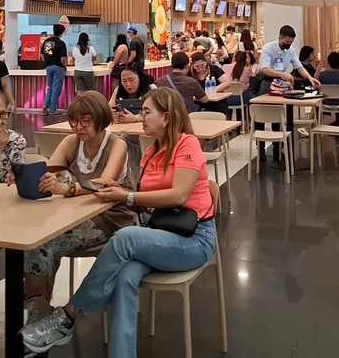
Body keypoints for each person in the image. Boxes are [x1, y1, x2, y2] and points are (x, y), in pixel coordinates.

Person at [21, 88, 216, 358]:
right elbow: (142, 202)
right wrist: (120, 194)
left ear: (167, 117)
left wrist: (126, 196)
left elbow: (179, 195)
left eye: (146, 112)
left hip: (193, 238)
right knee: (124, 277)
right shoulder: (151, 152)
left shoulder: (188, 144)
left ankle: (68, 314)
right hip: (158, 233)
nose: (140, 117)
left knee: (125, 237)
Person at [23, 91, 136, 323]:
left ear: (101, 119)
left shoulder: (117, 145)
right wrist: (30, 176)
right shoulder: (71, 142)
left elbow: (104, 183)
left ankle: (39, 317)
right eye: (74, 121)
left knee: (46, 244)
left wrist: (67, 188)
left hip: (110, 216)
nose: (78, 127)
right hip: (75, 213)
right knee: (35, 240)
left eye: (85, 121)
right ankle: (38, 308)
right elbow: (50, 171)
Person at [0, 89, 26, 334]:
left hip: (8, 214)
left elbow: (18, 183)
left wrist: (16, 176)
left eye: (3, 114)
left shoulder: (16, 141)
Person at [257, 25, 320, 163]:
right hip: (266, 82)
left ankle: (277, 148)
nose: (288, 44)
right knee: (261, 115)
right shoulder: (268, 48)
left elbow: (299, 67)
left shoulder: (291, 51)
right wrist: (283, 74)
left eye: (291, 42)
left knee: (277, 115)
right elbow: (265, 69)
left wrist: (310, 78)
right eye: (286, 42)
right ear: (280, 38)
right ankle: (260, 149)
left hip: (279, 83)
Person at [109, 64, 156, 173]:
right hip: (127, 137)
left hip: (149, 136)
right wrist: (113, 114)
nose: (128, 84)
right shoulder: (118, 90)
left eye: (131, 80)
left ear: (139, 77)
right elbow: (108, 109)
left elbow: (157, 113)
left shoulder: (151, 89)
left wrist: (135, 118)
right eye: (124, 81)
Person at [41, 24, 68, 115]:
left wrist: (46, 61)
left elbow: (42, 54)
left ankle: (46, 105)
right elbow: (63, 59)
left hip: (48, 67)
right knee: (56, 88)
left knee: (50, 87)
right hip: (58, 67)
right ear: (61, 33)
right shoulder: (61, 43)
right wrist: (65, 66)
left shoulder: (47, 42)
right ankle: (52, 109)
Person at [223, 51, 257, 120]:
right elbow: (253, 79)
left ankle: (228, 120)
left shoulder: (224, 67)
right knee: (250, 95)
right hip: (240, 98)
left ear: (234, 58)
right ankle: (246, 120)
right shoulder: (247, 69)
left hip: (226, 98)